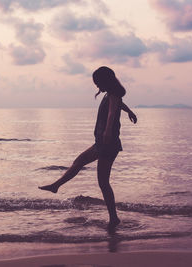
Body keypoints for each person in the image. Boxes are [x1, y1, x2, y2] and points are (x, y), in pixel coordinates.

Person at [39, 66, 137, 230]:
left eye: (98, 83)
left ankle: (114, 219)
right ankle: (56, 186)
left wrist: (107, 132)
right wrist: (130, 111)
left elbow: (112, 112)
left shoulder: (113, 94)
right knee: (79, 162)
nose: (97, 86)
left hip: (107, 143)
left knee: (103, 182)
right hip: (103, 142)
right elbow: (119, 104)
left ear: (106, 81)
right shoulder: (112, 94)